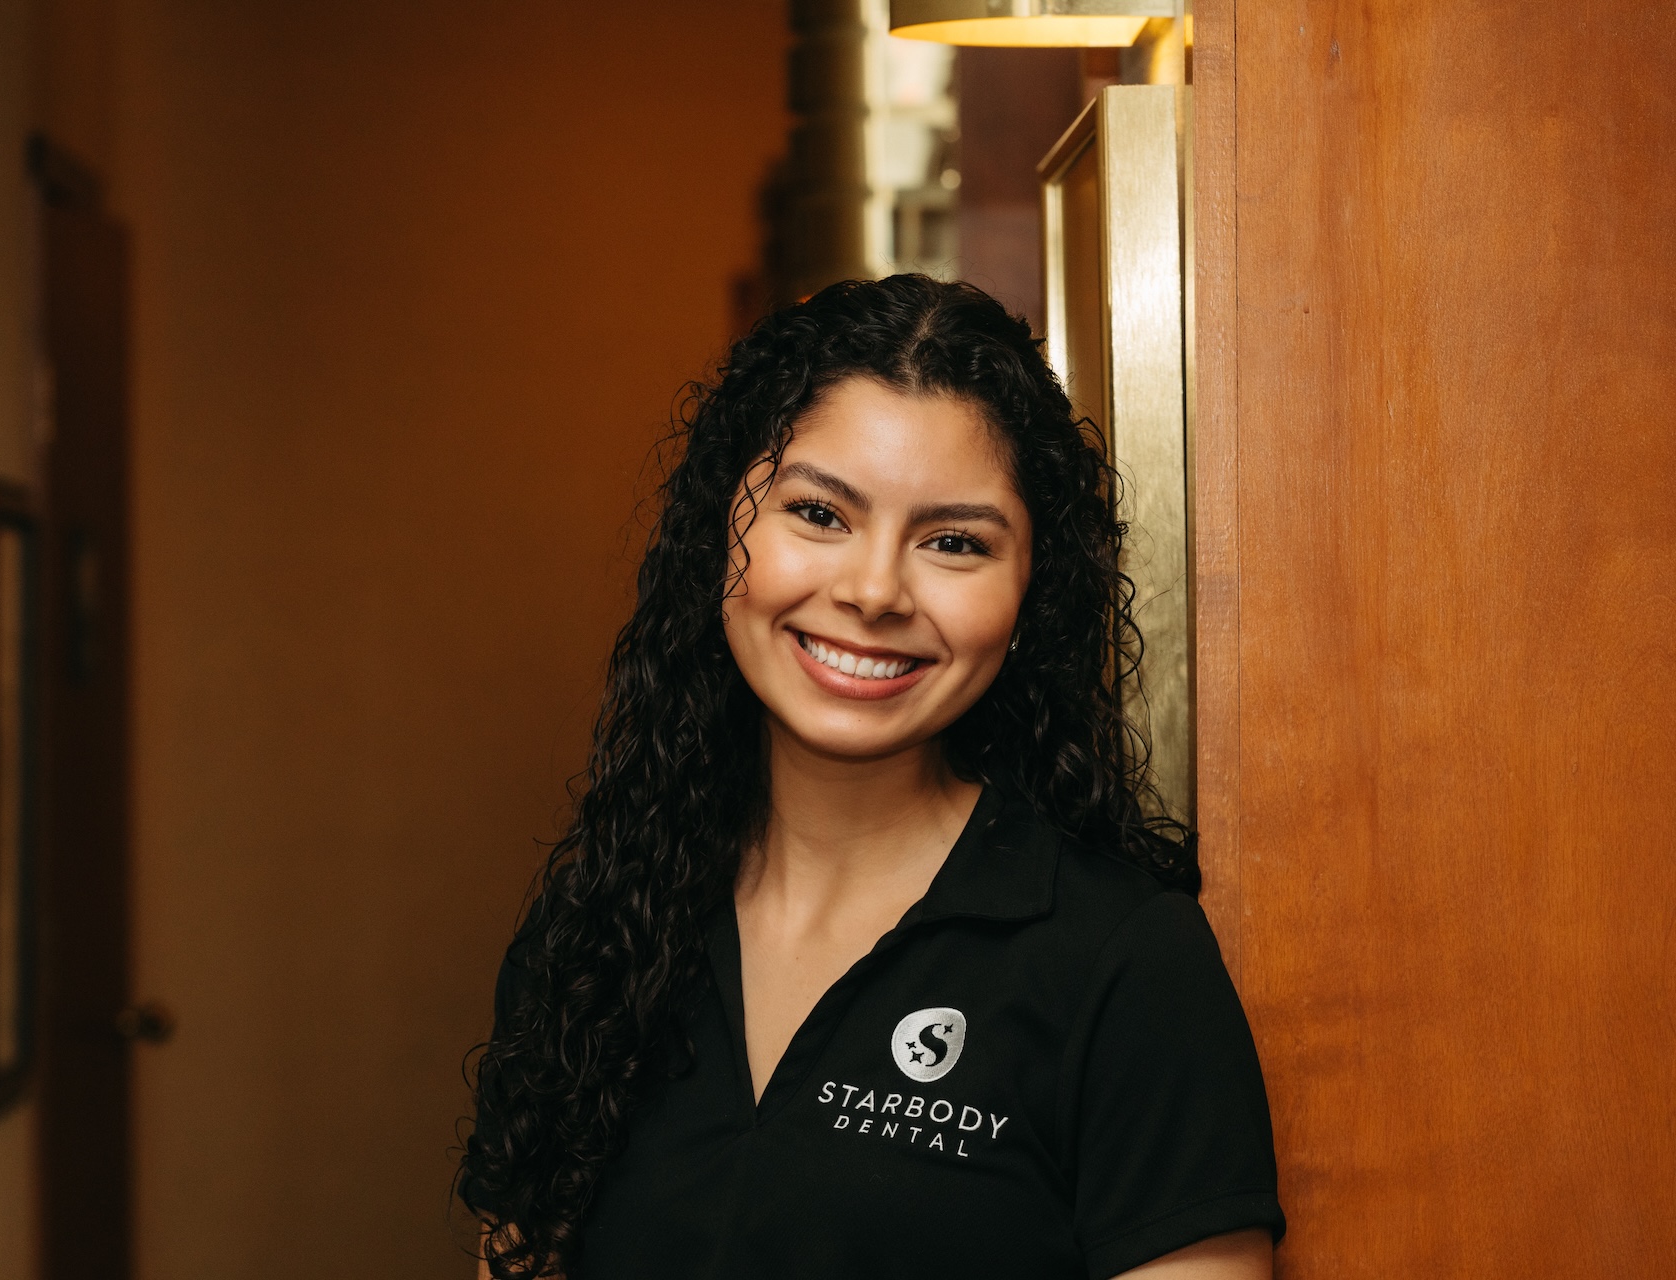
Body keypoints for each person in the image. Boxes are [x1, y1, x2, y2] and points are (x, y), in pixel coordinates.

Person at [458, 276, 1283, 1279]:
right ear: (725, 525)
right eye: (819, 512)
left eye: (953, 542)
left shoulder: (1125, 964)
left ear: (1032, 595)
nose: (873, 590)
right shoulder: (600, 928)